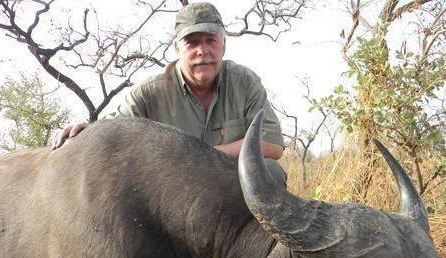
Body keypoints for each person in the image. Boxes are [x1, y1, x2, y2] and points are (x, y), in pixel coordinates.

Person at [53, 2, 287, 186]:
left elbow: (272, 145)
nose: (202, 51)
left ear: (223, 45)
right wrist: (85, 129)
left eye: (210, 41)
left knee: (271, 172)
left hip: (227, 186)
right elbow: (114, 129)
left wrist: (202, 157)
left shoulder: (244, 82)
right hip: (175, 193)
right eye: (192, 42)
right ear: (177, 49)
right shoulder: (149, 91)